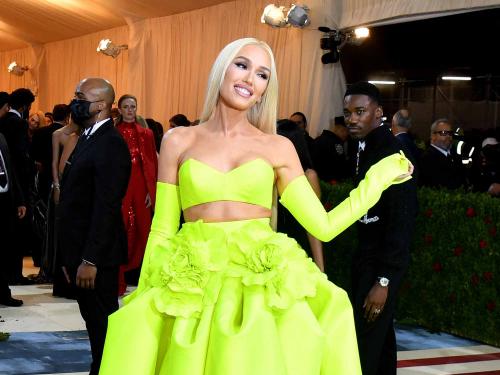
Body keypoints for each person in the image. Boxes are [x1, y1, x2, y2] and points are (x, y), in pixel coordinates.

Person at [100, 38, 412, 375]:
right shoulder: (178, 140)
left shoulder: (277, 147)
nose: (250, 79)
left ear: (265, 90)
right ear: (222, 68)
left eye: (262, 75)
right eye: (242, 65)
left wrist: (376, 181)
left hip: (259, 284)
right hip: (193, 281)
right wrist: (146, 294)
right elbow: (162, 226)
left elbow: (322, 225)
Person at [57, 78, 131, 374]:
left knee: (102, 321)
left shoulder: (111, 144)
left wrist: (89, 259)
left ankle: (108, 369)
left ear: (100, 105)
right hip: (80, 251)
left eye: (80, 96)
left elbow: (106, 208)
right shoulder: (87, 136)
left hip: (97, 256)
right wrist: (68, 255)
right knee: (93, 320)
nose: (74, 101)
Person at [344, 81, 417, 375]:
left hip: (382, 262)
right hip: (366, 254)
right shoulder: (362, 146)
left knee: (365, 339)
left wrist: (384, 280)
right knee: (380, 336)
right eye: (347, 112)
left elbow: (402, 222)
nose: (351, 119)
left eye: (360, 111)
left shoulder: (394, 154)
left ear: (378, 113)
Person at [115, 94, 158, 295]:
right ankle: (118, 282)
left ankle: (147, 279)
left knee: (145, 230)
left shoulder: (146, 134)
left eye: (133, 106)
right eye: (126, 106)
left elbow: (151, 163)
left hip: (141, 184)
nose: (130, 110)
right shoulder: (114, 132)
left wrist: (151, 190)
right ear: (120, 109)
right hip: (122, 185)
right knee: (121, 230)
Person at [0, 91, 26, 307]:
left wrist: (19, 199)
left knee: (5, 248)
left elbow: (10, 169)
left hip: (5, 200)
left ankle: (3, 292)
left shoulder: (1, 137)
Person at [419, 118, 466, 189]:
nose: (448, 136)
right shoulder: (426, 158)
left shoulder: (455, 155)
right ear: (433, 136)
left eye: (450, 133)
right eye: (443, 133)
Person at [312, 116, 351, 182]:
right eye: (345, 131)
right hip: (330, 183)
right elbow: (340, 165)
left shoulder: (318, 139)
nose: (346, 134)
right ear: (338, 129)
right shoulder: (337, 144)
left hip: (317, 181)